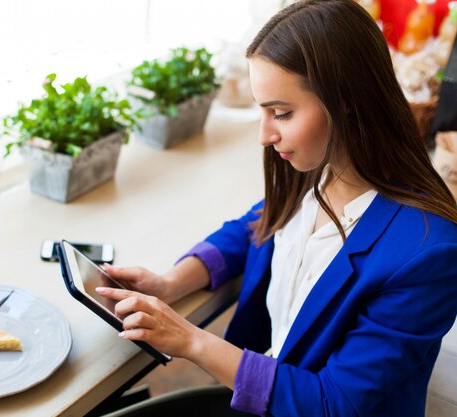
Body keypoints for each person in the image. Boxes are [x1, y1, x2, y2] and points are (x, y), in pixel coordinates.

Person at [95, 1, 457, 416]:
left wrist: (192, 341)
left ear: (348, 102)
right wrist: (172, 282)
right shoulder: (313, 166)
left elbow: (334, 403)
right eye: (262, 109)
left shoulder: (428, 255)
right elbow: (258, 224)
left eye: (281, 113)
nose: (265, 134)